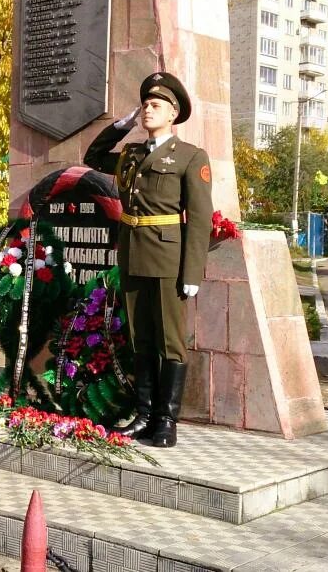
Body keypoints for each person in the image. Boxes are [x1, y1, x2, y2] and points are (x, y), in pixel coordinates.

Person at [83, 72, 213, 447]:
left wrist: (192, 271)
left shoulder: (190, 157)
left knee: (170, 341)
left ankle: (166, 420)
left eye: (155, 105)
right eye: (144, 104)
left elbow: (200, 218)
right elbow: (92, 158)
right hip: (134, 253)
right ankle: (143, 414)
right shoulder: (132, 154)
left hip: (169, 257)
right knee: (140, 339)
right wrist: (120, 126)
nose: (147, 109)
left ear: (173, 114)